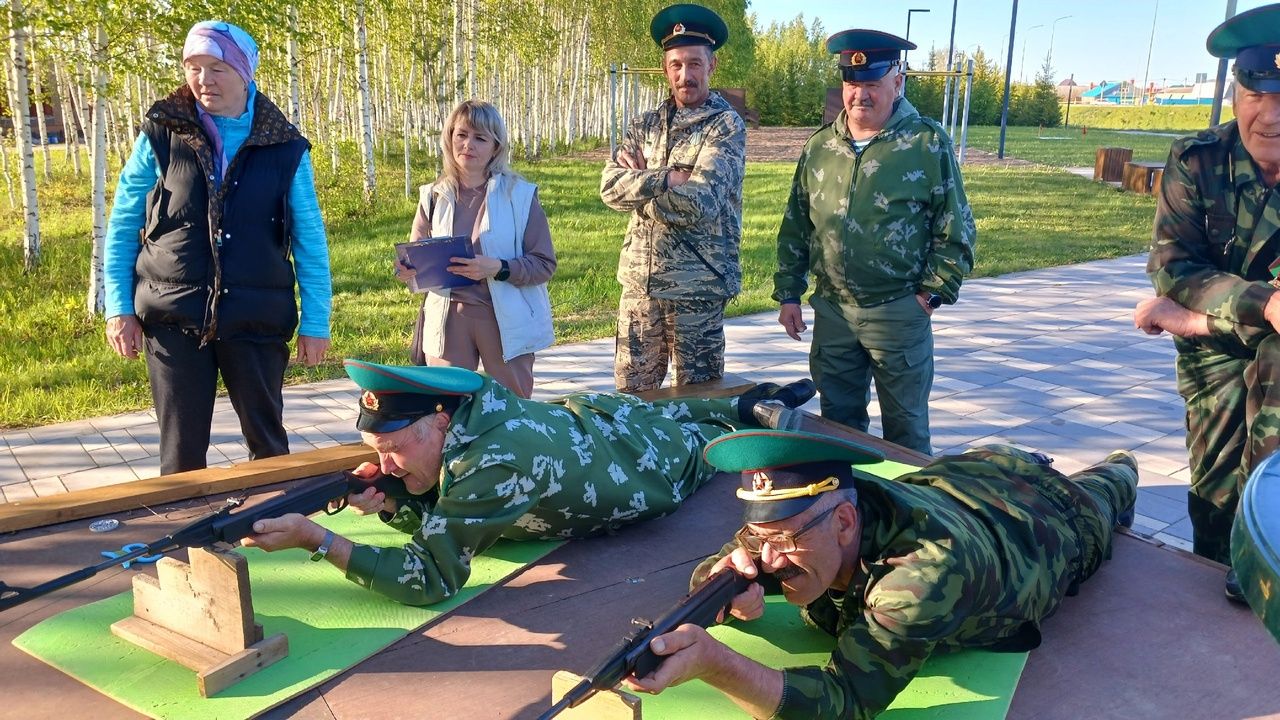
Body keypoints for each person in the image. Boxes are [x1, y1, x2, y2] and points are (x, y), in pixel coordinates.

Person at [623, 429, 1137, 719]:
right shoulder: (803, 517)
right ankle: (1017, 451)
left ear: (845, 521)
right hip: (959, 472)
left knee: (1112, 481)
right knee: (996, 453)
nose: (771, 559)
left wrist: (717, 663)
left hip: (1046, 517)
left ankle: (1116, 464)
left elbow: (845, 703)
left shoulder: (920, 575)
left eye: (786, 541)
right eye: (762, 538)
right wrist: (720, 585)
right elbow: (730, 558)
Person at [242, 359, 817, 606]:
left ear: (439, 421)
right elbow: (453, 505)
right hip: (594, 419)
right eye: (378, 454)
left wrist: (318, 540)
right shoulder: (468, 418)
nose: (385, 464)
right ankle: (752, 402)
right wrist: (398, 498)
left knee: (703, 444)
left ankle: (750, 412)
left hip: (639, 466)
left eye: (394, 450)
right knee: (680, 412)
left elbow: (431, 578)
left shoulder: (492, 464)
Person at [102, 21, 331, 475]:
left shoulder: (285, 146)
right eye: (194, 67)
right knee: (181, 457)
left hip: (256, 315)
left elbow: (310, 239)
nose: (204, 79)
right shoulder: (161, 133)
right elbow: (124, 221)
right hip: (173, 314)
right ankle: (187, 543)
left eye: (217, 67)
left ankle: (275, 536)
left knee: (268, 448)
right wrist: (118, 306)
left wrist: (316, 321)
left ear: (245, 71)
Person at [772, 29, 976, 455]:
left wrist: (931, 295)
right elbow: (796, 224)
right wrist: (789, 293)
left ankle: (910, 513)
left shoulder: (925, 142)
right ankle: (849, 513)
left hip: (897, 312)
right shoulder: (820, 146)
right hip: (833, 314)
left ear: (897, 82)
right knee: (838, 429)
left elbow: (956, 228)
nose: (859, 96)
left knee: (906, 433)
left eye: (871, 85)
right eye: (852, 84)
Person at [1142, 3, 1280, 602]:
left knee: (1272, 499)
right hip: (1216, 362)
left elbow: (1175, 299)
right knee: (1215, 503)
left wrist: (1185, 318)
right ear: (1236, 93)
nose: (1270, 116)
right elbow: (1174, 267)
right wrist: (1265, 305)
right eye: (1257, 91)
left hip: (1225, 337)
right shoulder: (1197, 159)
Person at [599, 3, 746, 393]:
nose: (686, 75)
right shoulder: (643, 125)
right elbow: (610, 189)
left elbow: (699, 203)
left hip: (696, 289)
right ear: (666, 68)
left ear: (711, 67)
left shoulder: (726, 125)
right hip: (639, 290)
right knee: (629, 407)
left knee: (699, 409)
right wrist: (667, 178)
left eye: (695, 64)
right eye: (677, 65)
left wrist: (640, 185)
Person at [399, 100, 556, 399]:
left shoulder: (520, 197)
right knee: (446, 415)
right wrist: (407, 271)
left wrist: (499, 267)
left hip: (504, 322)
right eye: (462, 134)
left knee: (512, 415)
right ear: (449, 137)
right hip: (447, 322)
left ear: (496, 147)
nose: (468, 144)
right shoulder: (432, 196)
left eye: (480, 138)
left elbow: (544, 264)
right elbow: (413, 259)